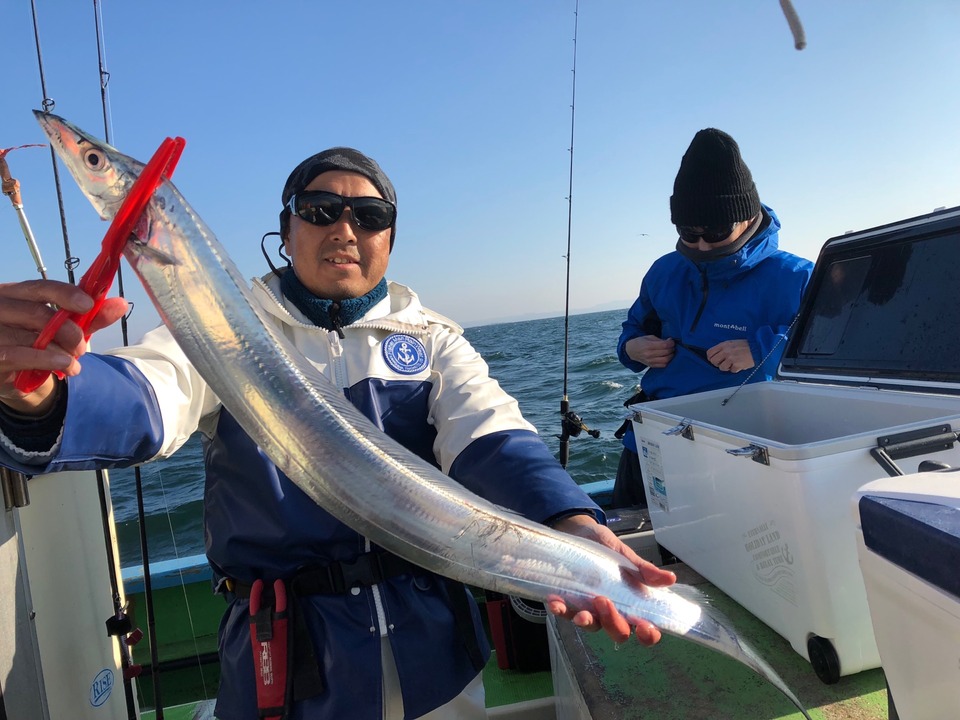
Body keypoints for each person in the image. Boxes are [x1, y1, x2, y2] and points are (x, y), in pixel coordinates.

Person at [0, 147, 675, 720]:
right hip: (289, 666)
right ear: (286, 229)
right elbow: (151, 392)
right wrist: (40, 395)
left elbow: (492, 438)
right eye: (320, 209)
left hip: (435, 655)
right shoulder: (226, 329)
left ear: (390, 237)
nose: (345, 229)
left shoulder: (432, 339)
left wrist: (571, 523)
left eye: (369, 216)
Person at [612, 128, 814, 509]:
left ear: (747, 216)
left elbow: (834, 357)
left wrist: (761, 350)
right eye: (689, 232)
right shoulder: (663, 273)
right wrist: (632, 348)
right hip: (651, 444)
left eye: (717, 231)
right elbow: (632, 330)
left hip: (743, 451)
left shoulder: (798, 278)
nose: (702, 245)